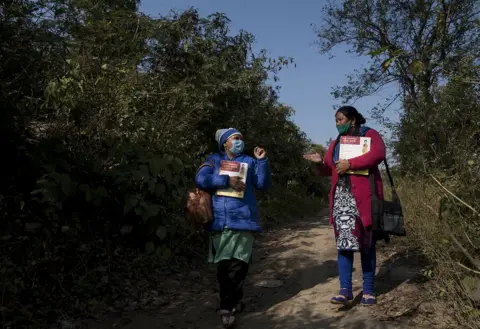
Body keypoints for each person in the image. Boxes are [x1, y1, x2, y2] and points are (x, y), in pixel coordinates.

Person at [303, 106, 387, 306]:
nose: (337, 123)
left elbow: (379, 153)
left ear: (352, 120)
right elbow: (328, 169)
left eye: (340, 119)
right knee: (344, 245)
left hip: (364, 199)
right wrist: (318, 163)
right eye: (336, 120)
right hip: (342, 200)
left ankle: (368, 291)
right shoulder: (336, 143)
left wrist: (351, 164)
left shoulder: (370, 135)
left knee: (367, 245)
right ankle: (345, 291)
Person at [195, 128, 271, 327]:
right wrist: (227, 180)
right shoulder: (213, 161)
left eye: (241, 139)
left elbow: (262, 184)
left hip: (244, 220)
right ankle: (227, 306)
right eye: (235, 138)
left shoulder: (250, 161)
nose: (240, 142)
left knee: (240, 266)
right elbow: (201, 180)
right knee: (226, 266)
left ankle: (233, 300)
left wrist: (261, 161)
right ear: (224, 143)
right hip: (221, 221)